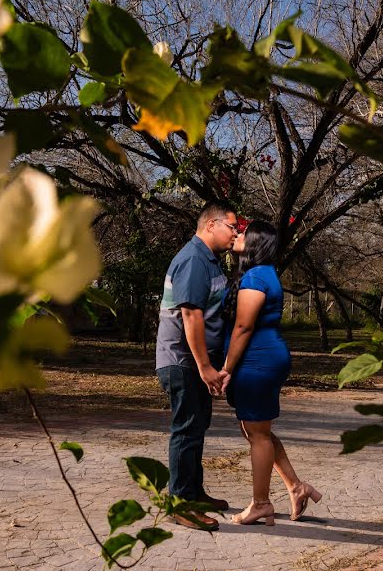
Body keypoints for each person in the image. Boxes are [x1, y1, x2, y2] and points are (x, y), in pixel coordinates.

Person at [220, 220, 321, 525]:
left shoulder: (255, 278)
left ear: (255, 244)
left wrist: (226, 368)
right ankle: (297, 487)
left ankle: (261, 504)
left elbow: (243, 326)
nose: (237, 234)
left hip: (257, 360)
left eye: (243, 233)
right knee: (255, 431)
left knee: (258, 435)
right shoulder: (261, 274)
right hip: (261, 358)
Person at [155, 201, 238, 531]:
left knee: (196, 427)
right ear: (211, 226)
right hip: (183, 362)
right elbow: (190, 315)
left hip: (195, 363)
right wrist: (205, 366)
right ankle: (180, 505)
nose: (236, 233)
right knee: (186, 430)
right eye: (232, 227)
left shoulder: (210, 260)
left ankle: (194, 492)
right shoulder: (193, 259)